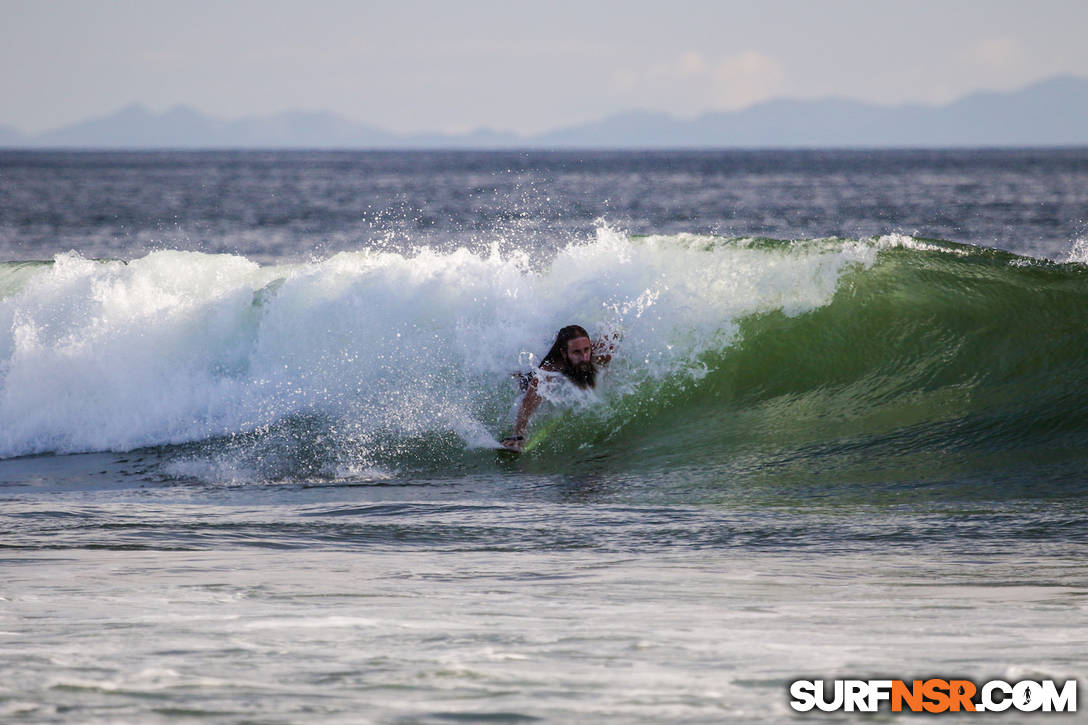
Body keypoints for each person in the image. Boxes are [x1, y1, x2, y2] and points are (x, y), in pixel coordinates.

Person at [501, 324, 613, 451]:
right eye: (576, 352)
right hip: (540, 357)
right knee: (526, 381)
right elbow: (527, 403)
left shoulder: (598, 353)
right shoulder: (549, 368)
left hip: (563, 345)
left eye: (586, 350)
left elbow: (610, 339)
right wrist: (518, 437)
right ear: (564, 354)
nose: (584, 358)